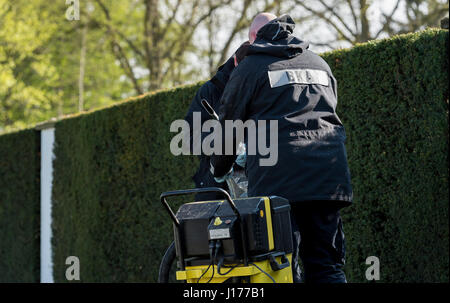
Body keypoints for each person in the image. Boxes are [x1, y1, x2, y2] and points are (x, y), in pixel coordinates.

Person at [211, 13, 353, 283]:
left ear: (253, 38)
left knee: (281, 266)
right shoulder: (319, 64)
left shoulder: (250, 68)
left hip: (279, 183)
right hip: (328, 178)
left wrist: (219, 167)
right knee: (326, 266)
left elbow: (228, 125)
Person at [184, 42, 249, 201]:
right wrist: (223, 142)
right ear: (235, 62)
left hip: (257, 182)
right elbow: (189, 136)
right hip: (215, 188)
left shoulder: (265, 87)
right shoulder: (212, 90)